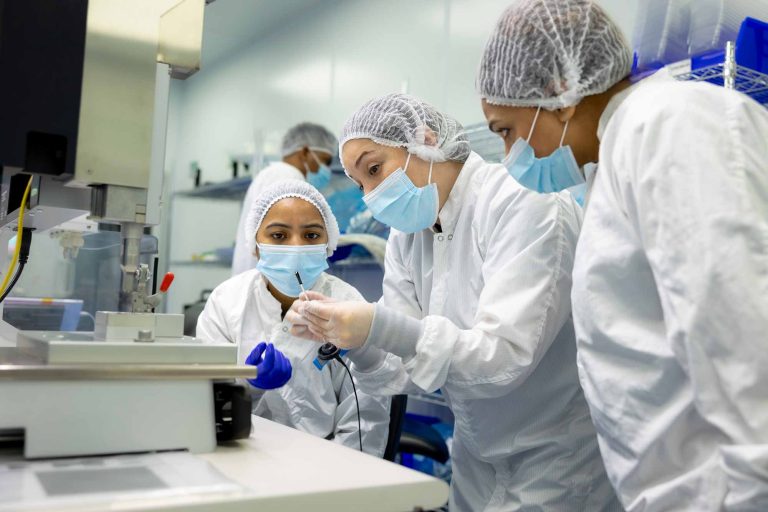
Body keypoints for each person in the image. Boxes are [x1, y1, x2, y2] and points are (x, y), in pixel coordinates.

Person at [476, 1, 768, 510]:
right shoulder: (620, 150)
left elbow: (741, 330)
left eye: (506, 130)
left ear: (557, 93)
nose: (509, 154)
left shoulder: (671, 124)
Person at [287, 93, 620, 511]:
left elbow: (503, 359)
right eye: (361, 185)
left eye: (375, 169)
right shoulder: (408, 239)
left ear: (425, 139)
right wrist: (356, 340)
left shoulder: (521, 202)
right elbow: (401, 369)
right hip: (475, 454)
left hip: (555, 457)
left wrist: (377, 324)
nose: (371, 195)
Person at [198, 180, 390, 456]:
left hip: (323, 463)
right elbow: (203, 398)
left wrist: (339, 476)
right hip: (238, 451)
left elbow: (365, 415)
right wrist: (246, 385)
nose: (296, 247)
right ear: (255, 245)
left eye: (311, 236)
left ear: (328, 244)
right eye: (278, 236)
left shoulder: (348, 305)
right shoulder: (227, 301)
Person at [232, 122, 337, 275]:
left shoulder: (273, 174)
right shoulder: (288, 179)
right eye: (325, 161)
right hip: (269, 280)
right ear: (305, 152)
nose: (327, 169)